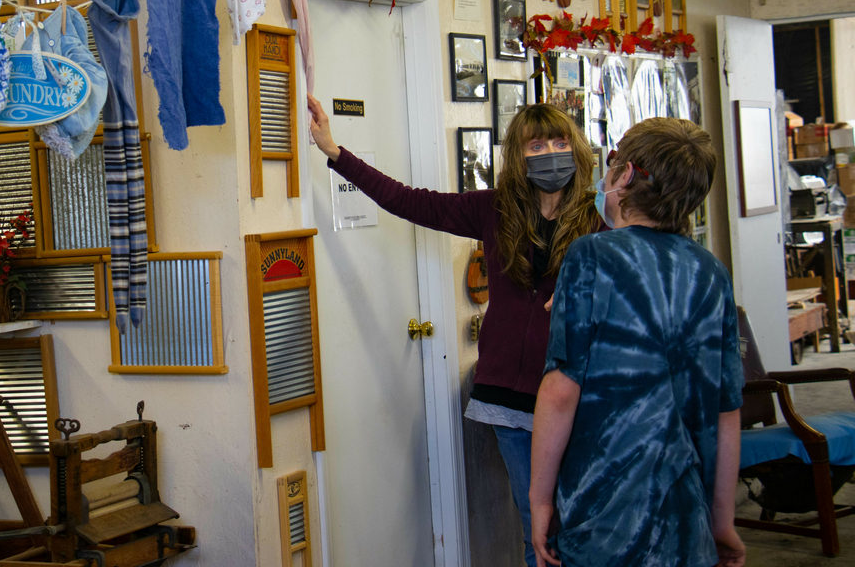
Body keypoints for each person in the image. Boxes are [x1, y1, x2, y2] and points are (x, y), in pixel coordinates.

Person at [307, 94, 600, 567]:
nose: (549, 152)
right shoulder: (495, 209)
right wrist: (336, 153)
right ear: (518, 156)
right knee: (537, 531)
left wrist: (588, 295)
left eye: (559, 140)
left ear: (576, 147)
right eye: (536, 144)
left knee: (581, 525)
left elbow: (632, 284)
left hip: (574, 397)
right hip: (507, 396)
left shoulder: (598, 217)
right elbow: (410, 202)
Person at [529, 117, 745, 567]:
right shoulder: (712, 273)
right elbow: (727, 410)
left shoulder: (591, 255)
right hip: (688, 517)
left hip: (604, 513)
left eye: (611, 165)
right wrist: (722, 520)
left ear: (624, 175)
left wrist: (540, 500)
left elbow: (561, 390)